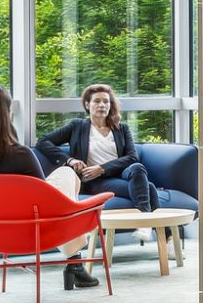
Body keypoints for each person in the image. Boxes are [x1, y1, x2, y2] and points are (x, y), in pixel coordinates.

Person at [0, 85, 101, 291]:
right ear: (6, 115)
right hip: (31, 230)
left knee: (63, 180)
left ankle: (75, 263)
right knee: (67, 174)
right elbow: (45, 200)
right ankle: (74, 262)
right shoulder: (20, 155)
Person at [38, 82, 158, 214]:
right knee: (150, 188)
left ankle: (143, 220)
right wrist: (70, 160)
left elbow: (132, 157)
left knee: (137, 167)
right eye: (97, 101)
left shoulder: (121, 128)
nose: (102, 105)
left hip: (120, 174)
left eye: (106, 101)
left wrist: (102, 168)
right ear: (87, 105)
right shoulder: (77, 126)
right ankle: (153, 224)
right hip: (93, 181)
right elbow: (43, 141)